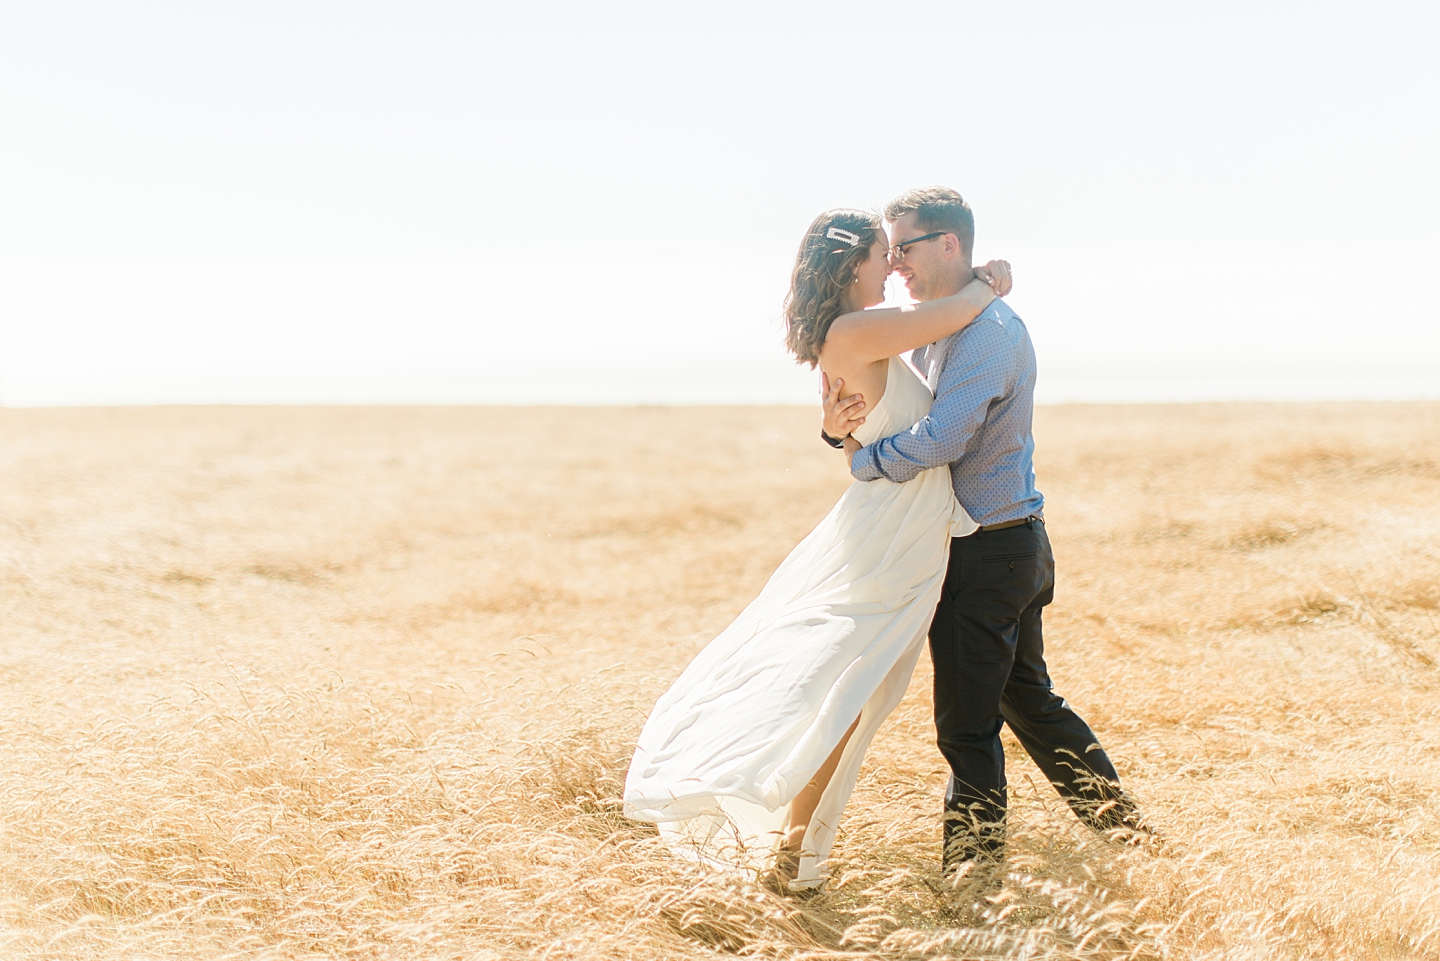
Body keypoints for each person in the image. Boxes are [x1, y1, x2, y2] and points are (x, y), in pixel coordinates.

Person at [623, 206, 1012, 892]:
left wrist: (837, 436)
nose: (890, 267)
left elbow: (856, 431)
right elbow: (958, 313)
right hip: (892, 534)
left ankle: (794, 854)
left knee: (850, 694)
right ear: (850, 267)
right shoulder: (860, 327)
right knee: (843, 691)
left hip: (896, 524)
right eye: (877, 256)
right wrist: (989, 279)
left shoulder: (852, 332)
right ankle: (789, 850)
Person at [822, 186, 1145, 876]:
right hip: (1005, 543)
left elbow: (945, 436)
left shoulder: (986, 333)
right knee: (1031, 703)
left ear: (948, 243)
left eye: (904, 247)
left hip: (989, 555)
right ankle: (1133, 839)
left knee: (967, 730)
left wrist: (861, 460)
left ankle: (972, 888)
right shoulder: (950, 323)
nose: (897, 263)